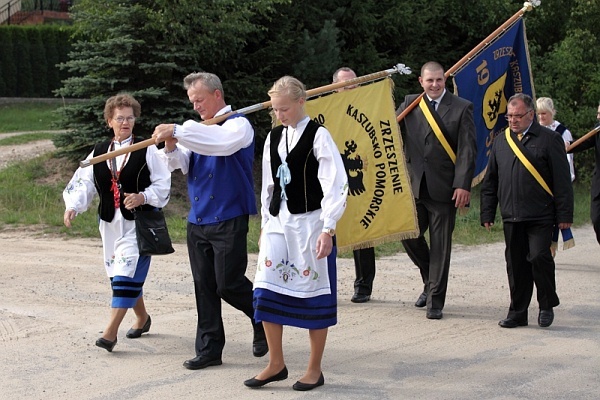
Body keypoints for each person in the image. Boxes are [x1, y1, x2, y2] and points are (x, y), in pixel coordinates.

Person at [152, 72, 267, 370]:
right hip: (198, 218)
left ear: (217, 94)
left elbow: (221, 145)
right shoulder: (197, 129)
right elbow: (181, 165)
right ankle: (209, 349)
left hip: (229, 215)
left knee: (228, 284)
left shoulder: (238, 125)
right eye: (192, 102)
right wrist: (171, 145)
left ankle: (262, 318)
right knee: (204, 285)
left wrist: (179, 129)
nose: (196, 107)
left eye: (199, 100)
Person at [244, 76, 348, 391]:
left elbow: (335, 183)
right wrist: (265, 223)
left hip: (311, 223)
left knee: (315, 292)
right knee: (264, 288)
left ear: (301, 102)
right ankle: (276, 362)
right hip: (279, 222)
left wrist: (328, 228)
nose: (279, 115)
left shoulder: (319, 136)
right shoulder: (274, 137)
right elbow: (269, 183)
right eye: (275, 109)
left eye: (284, 108)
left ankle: (314, 369)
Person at [63, 93, 171, 352]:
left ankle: (110, 334)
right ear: (109, 121)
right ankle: (143, 318)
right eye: (120, 118)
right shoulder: (100, 151)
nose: (126, 123)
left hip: (138, 225)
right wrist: (73, 205)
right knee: (120, 276)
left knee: (125, 275)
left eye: (130, 118)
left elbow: (162, 183)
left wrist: (142, 196)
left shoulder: (146, 149)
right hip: (110, 224)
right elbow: (85, 181)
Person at [480, 93, 573, 329]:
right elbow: (491, 181)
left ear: (530, 114)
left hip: (541, 214)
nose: (512, 120)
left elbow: (562, 181)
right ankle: (518, 312)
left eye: (518, 116)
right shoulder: (501, 141)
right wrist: (487, 212)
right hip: (511, 214)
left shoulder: (549, 140)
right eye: (509, 116)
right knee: (516, 264)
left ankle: (545, 305)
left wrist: (564, 216)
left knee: (540, 257)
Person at [396, 61, 477, 319]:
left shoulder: (462, 107)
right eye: (429, 80)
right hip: (414, 187)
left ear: (445, 79)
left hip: (445, 189)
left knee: (441, 246)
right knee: (408, 234)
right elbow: (391, 134)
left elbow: (467, 149)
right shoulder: (410, 103)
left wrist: (463, 184)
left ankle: (435, 302)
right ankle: (432, 278)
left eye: (439, 80)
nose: (434, 85)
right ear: (421, 81)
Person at [333, 66, 377, 304]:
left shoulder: (369, 105)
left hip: (360, 175)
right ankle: (322, 286)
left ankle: (363, 285)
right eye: (345, 84)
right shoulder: (326, 108)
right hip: (330, 177)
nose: (351, 87)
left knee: (363, 228)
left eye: (355, 83)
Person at [536, 97, 576, 256]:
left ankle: (549, 250)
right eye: (538, 114)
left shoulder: (563, 133)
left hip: (554, 184)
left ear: (552, 112)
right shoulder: (534, 130)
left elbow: (567, 162)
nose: (541, 118)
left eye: (544, 114)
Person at [569, 102, 600, 245]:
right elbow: (582, 143)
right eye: (598, 114)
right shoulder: (597, 130)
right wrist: (565, 146)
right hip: (599, 182)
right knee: (597, 218)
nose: (598, 117)